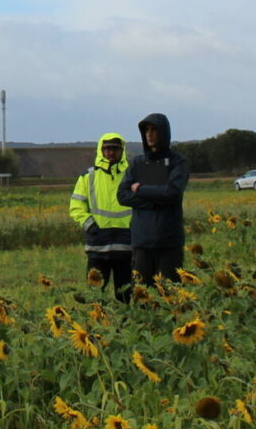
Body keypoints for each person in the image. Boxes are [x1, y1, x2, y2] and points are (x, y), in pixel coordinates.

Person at [120, 113, 191, 285]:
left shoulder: (177, 162)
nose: (150, 134)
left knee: (169, 296)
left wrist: (141, 189)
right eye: (146, 130)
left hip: (169, 242)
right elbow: (122, 195)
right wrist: (155, 200)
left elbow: (173, 192)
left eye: (154, 130)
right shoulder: (137, 163)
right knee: (141, 296)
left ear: (164, 133)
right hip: (142, 241)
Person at [68, 132, 133, 300]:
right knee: (95, 295)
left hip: (126, 245)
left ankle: (124, 325)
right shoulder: (88, 176)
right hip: (97, 245)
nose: (111, 152)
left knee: (126, 295)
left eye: (115, 149)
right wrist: (90, 225)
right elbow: (76, 206)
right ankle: (98, 325)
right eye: (107, 149)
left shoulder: (131, 175)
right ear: (101, 150)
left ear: (122, 151)